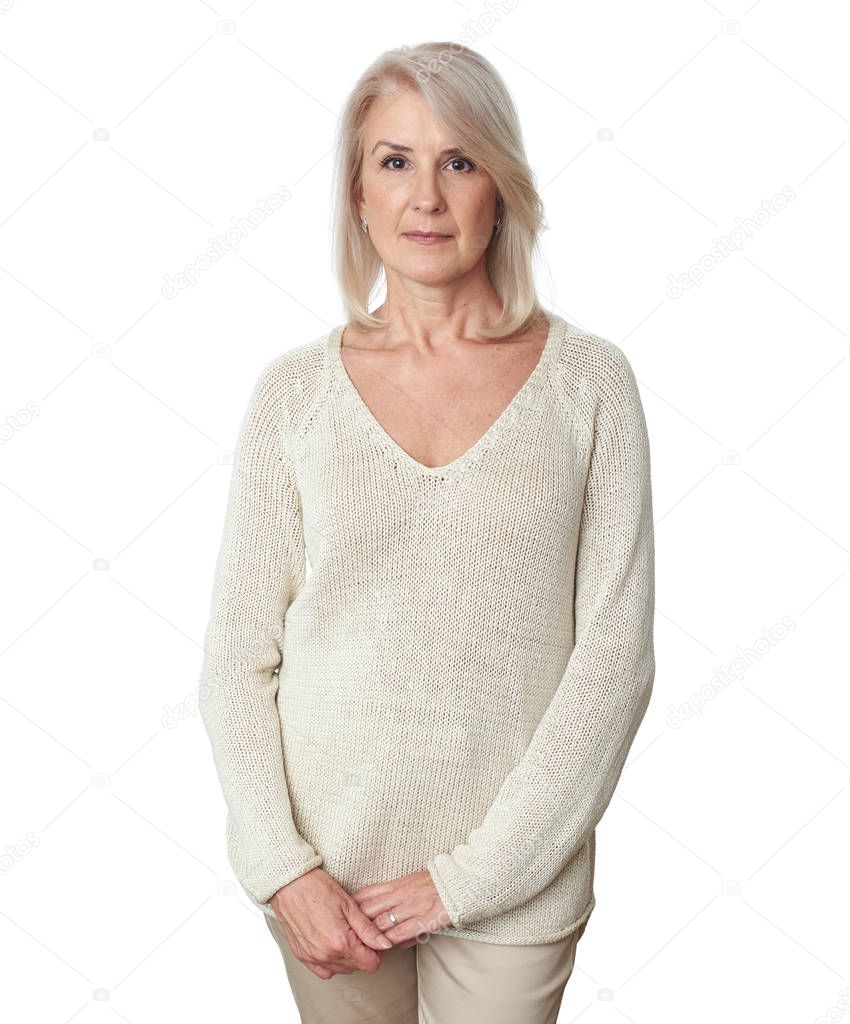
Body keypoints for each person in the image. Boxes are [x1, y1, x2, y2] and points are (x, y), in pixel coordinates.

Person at [198, 40, 655, 1024]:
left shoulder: (590, 387)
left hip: (517, 882)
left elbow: (613, 660)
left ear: (502, 186)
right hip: (332, 883)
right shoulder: (292, 396)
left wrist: (471, 875)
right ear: (357, 194)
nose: (427, 198)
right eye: (394, 161)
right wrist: (282, 868)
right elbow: (238, 658)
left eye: (459, 160)